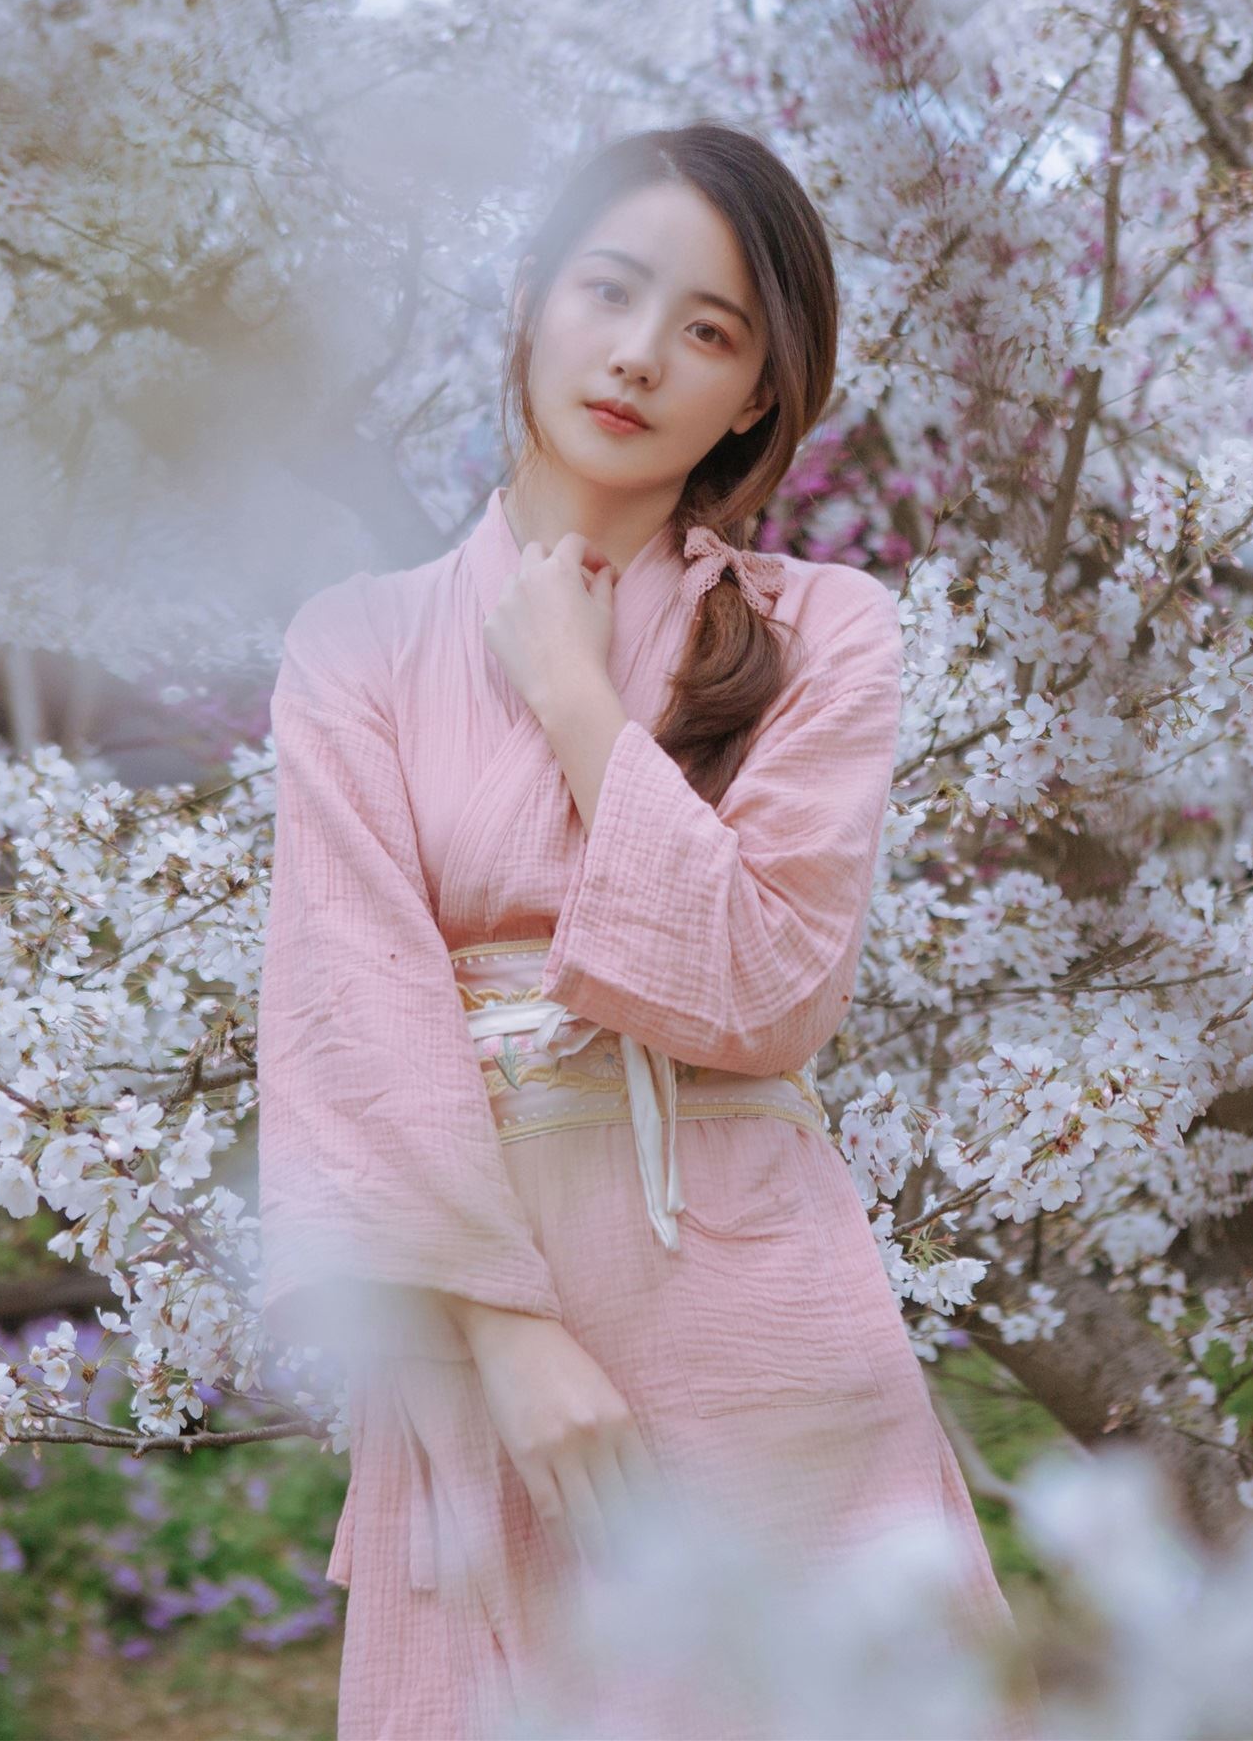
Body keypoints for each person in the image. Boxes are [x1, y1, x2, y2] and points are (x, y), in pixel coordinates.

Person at [255, 123, 1017, 1736]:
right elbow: (352, 1024)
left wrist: (579, 697)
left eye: (711, 329)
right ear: (531, 299)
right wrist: (515, 1342)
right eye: (611, 288)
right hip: (489, 1331)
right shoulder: (359, 647)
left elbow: (764, 990)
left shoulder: (823, 631)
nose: (640, 353)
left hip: (757, 1307)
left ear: (756, 395)